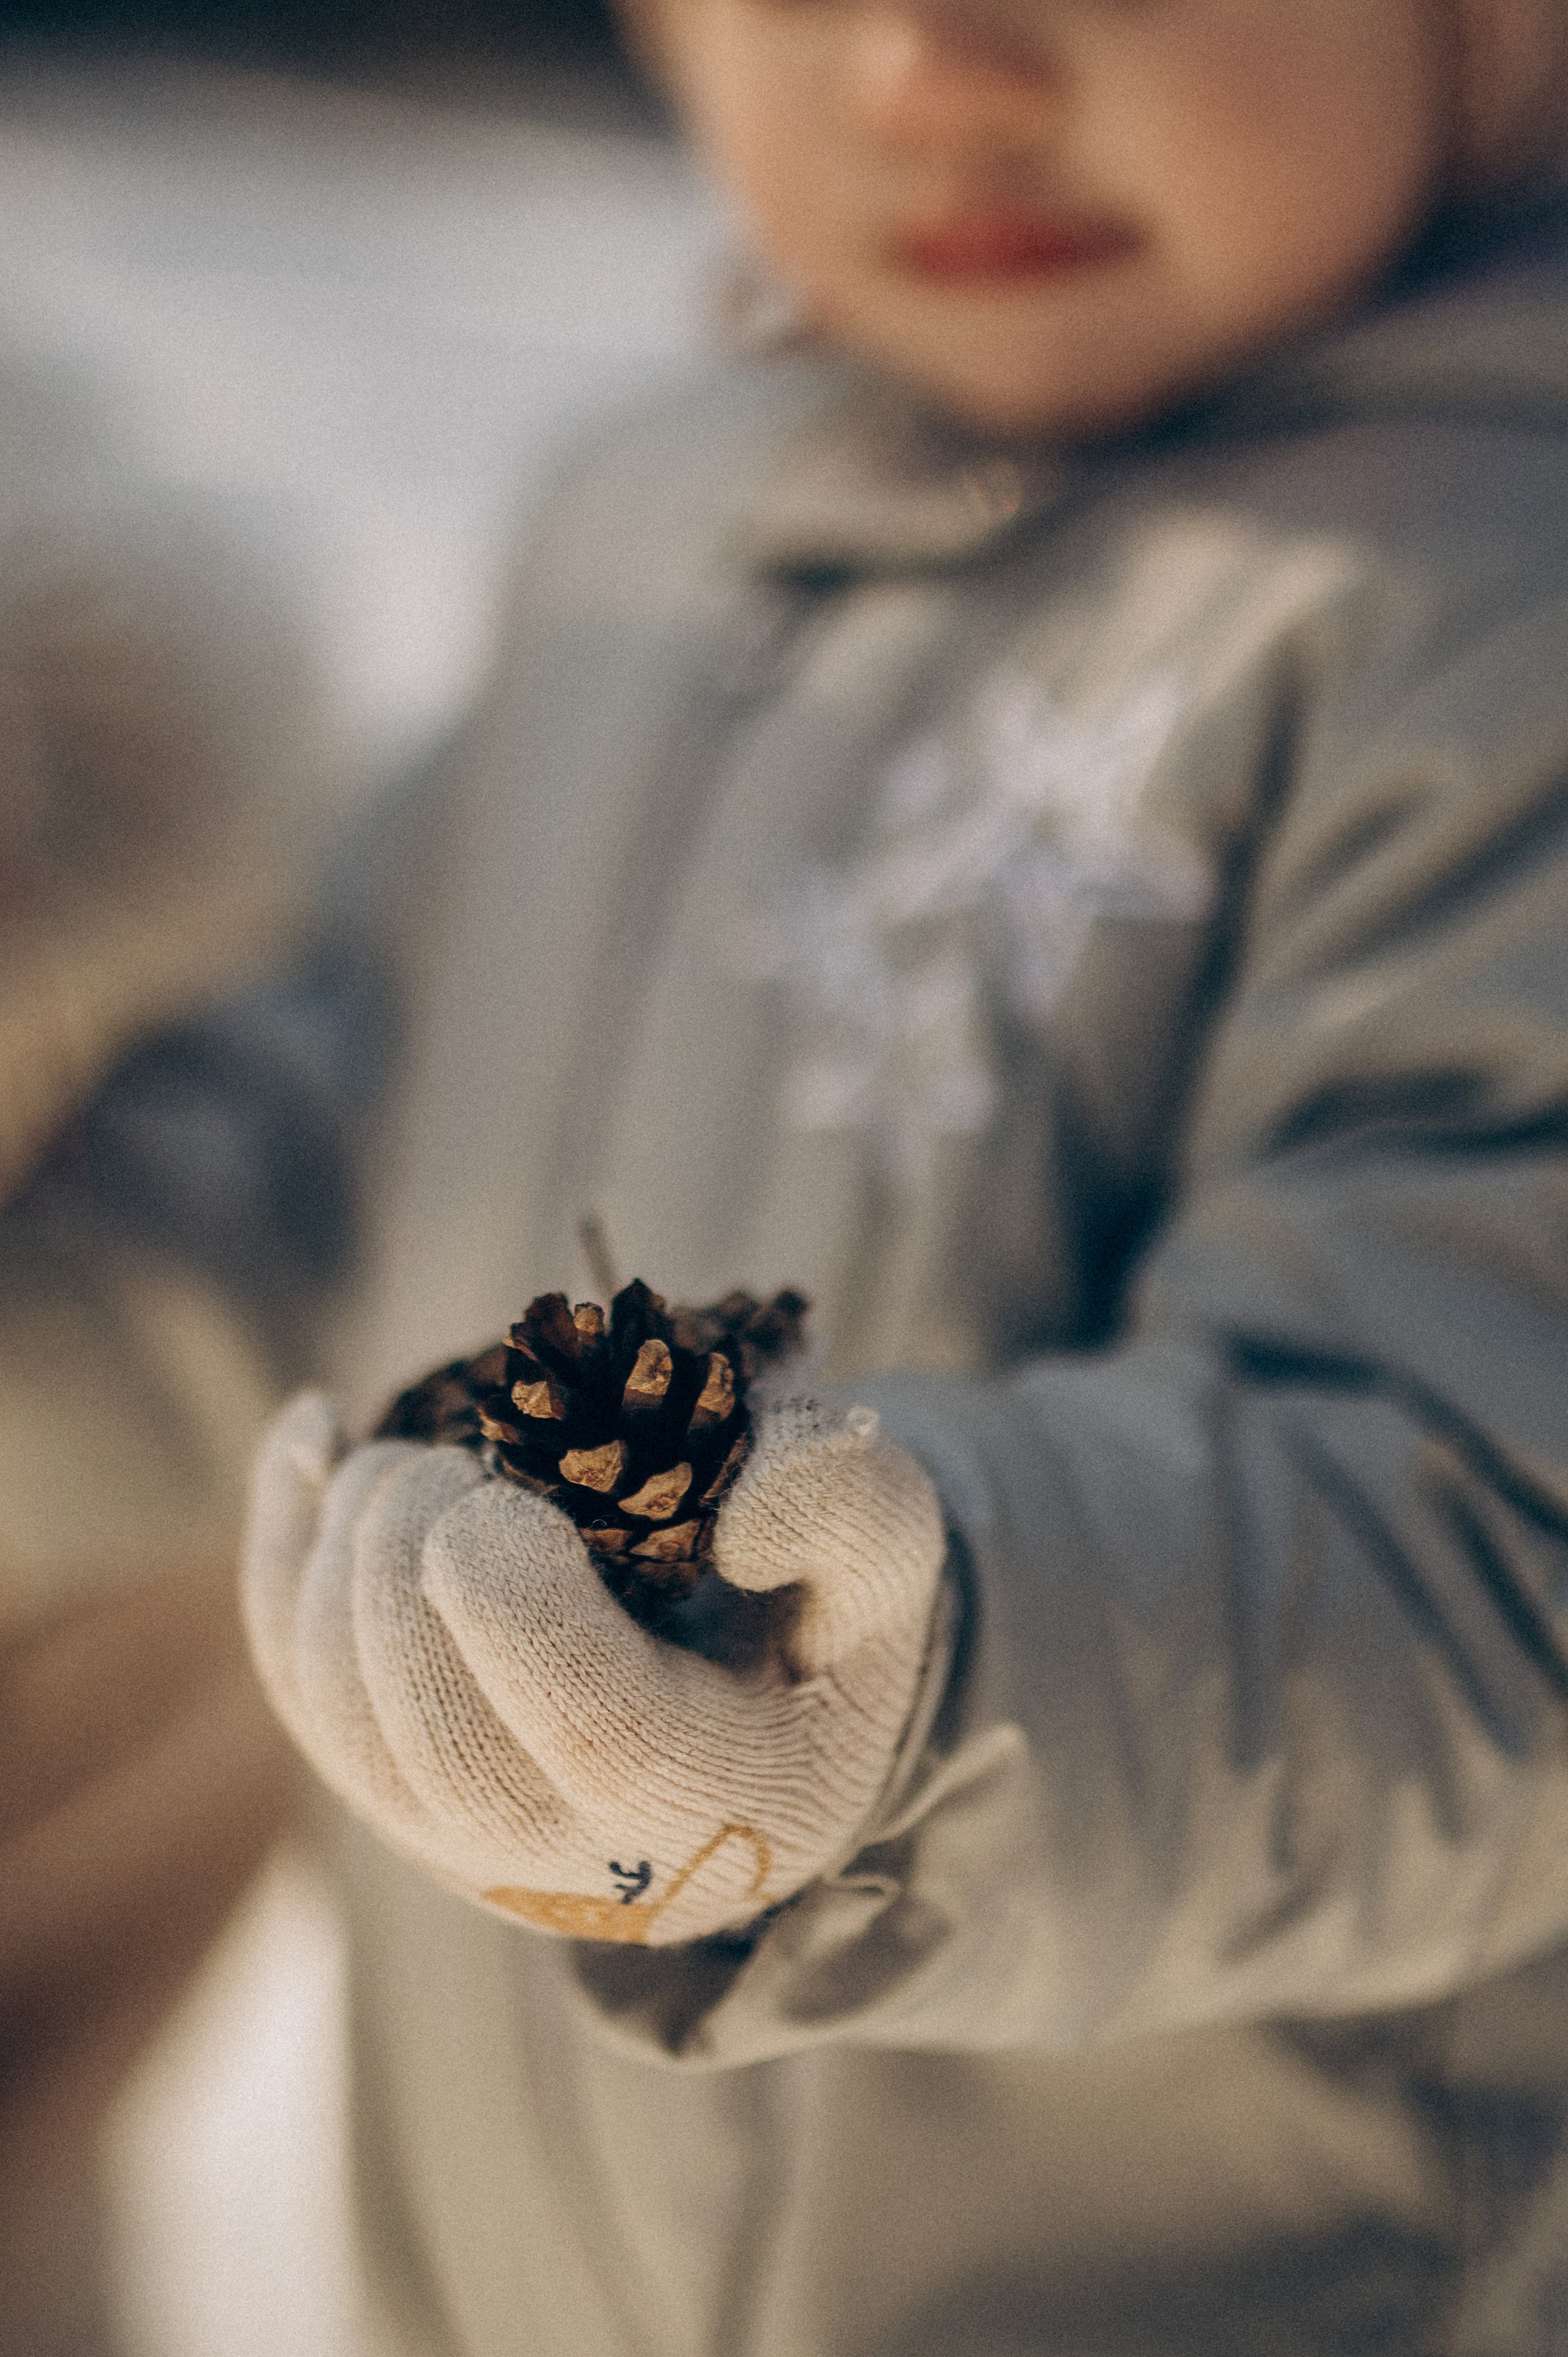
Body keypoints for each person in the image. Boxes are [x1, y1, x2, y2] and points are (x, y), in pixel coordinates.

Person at [243, 3, 1568, 2351]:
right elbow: (314, 1159)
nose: (930, 72)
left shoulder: (1501, 610)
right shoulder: (642, 545)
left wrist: (904, 1674)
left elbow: (1487, 1551)